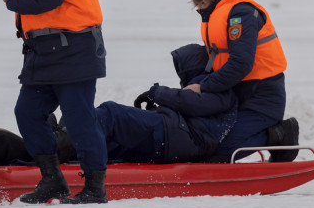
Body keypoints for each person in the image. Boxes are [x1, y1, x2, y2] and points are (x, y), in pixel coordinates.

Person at [4, 0, 108, 205]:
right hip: (45, 52)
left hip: (74, 49)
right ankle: (52, 180)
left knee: (79, 119)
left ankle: (95, 187)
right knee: (27, 112)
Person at [187, 0, 299, 160]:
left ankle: (279, 134)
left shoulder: (241, 14)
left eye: (201, 3)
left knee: (221, 149)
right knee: (203, 140)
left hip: (262, 98)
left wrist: (203, 88)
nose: (199, 9)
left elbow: (241, 63)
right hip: (236, 93)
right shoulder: (218, 12)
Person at [97, 44, 238, 164]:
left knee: (111, 113)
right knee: (114, 143)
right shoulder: (204, 86)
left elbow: (191, 103)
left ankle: (76, 138)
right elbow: (189, 105)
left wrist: (156, 93)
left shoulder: (221, 90)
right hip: (176, 135)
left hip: (178, 138)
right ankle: (78, 153)